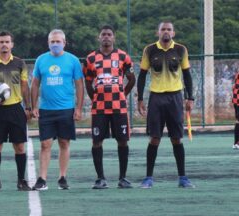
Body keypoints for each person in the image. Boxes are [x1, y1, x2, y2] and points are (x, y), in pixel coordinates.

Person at [137, 21, 195, 188]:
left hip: (175, 98)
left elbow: (187, 75)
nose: (166, 32)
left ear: (173, 33)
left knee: (176, 138)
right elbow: (141, 76)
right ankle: (148, 178)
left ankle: (183, 178)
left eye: (169, 29)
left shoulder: (181, 49)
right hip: (156, 98)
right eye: (163, 29)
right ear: (158, 32)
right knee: (154, 138)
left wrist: (190, 98)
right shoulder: (149, 50)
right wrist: (140, 99)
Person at [83, 25, 136, 189]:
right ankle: (100, 178)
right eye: (103, 34)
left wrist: (122, 95)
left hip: (119, 107)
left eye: (109, 34)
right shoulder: (90, 59)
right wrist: (95, 98)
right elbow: (88, 82)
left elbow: (131, 79)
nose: (106, 37)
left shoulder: (123, 57)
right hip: (99, 108)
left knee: (122, 141)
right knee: (97, 141)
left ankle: (123, 178)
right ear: (99, 38)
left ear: (114, 37)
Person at [31, 29, 84, 190]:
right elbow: (34, 84)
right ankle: (42, 179)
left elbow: (79, 85)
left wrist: (79, 108)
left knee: (64, 142)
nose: (55, 44)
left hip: (66, 109)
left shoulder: (73, 60)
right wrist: (34, 106)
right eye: (52, 42)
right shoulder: (41, 60)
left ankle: (62, 177)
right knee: (45, 144)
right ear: (48, 43)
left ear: (64, 43)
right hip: (46, 109)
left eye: (58, 41)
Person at [0, 31, 32, 192]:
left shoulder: (19, 63)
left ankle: (21, 180)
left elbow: (25, 86)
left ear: (12, 44)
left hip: (16, 109)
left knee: (19, 146)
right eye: (1, 42)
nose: (4, 44)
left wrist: (28, 107)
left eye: (7, 42)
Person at [232, 72, 239, 149]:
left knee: (238, 121)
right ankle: (236, 143)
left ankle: (236, 143)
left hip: (236, 100)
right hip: (237, 100)